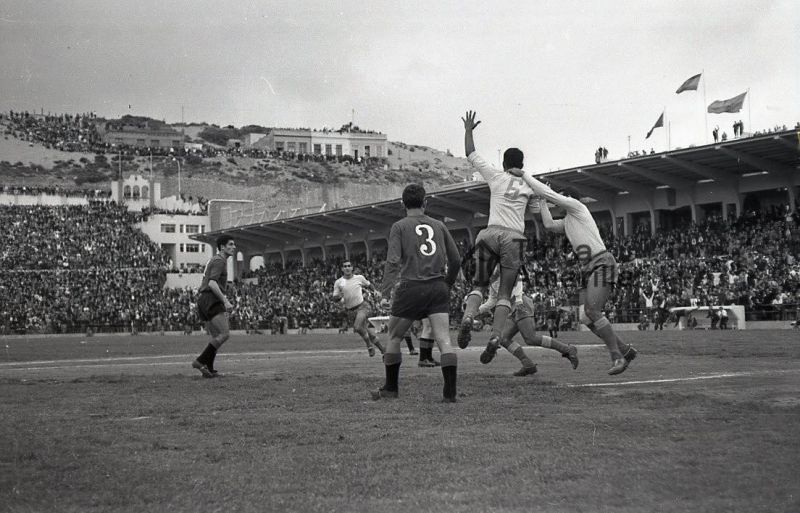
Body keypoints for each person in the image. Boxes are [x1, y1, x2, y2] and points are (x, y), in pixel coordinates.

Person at [506, 170, 638, 375]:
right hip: (590, 266)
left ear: (568, 198)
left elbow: (552, 197)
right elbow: (548, 225)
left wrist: (525, 176)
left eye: (560, 198)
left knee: (593, 312)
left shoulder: (578, 207)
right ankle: (625, 350)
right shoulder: (569, 220)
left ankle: (617, 357)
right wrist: (541, 200)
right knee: (586, 318)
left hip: (601, 261)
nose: (557, 203)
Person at [458, 110, 538, 354]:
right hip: (514, 237)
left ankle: (469, 317)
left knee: (480, 285)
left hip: (489, 233)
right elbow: (538, 212)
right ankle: (495, 336)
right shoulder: (530, 184)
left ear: (504, 164)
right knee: (504, 292)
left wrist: (469, 130)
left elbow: (471, 154)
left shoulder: (496, 175)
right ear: (522, 165)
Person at [374, 183, 461, 402]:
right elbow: (456, 260)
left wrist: (385, 292)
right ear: (425, 203)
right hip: (438, 286)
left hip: (411, 286)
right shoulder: (439, 225)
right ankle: (449, 394)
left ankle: (391, 389)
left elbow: (393, 261)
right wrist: (447, 284)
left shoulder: (399, 227)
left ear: (402, 204)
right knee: (444, 340)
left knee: (393, 336)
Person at [477, 270, 578, 376]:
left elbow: (518, 276)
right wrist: (476, 311)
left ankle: (567, 349)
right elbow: (492, 301)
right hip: (512, 308)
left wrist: (519, 300)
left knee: (531, 338)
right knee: (503, 338)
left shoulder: (501, 269)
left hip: (521, 304)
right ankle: (528, 364)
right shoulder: (492, 280)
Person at [192, 235, 237, 378]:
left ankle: (209, 368)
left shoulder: (215, 260)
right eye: (230, 244)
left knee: (216, 336)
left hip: (204, 299)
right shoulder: (220, 261)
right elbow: (212, 283)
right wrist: (225, 300)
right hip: (211, 299)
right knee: (224, 334)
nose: (233, 247)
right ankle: (199, 361)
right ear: (222, 247)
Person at [332, 261, 384, 357]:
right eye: (345, 266)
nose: (347, 268)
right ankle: (383, 350)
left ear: (352, 268)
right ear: (342, 269)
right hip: (350, 311)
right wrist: (339, 296)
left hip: (363, 306)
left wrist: (375, 290)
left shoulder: (359, 278)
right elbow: (334, 298)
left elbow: (369, 284)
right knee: (366, 331)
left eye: (349, 266)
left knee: (357, 327)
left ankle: (369, 346)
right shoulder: (339, 282)